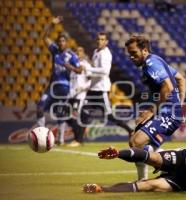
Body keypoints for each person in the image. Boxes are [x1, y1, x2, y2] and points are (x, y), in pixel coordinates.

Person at [83, 119, 186, 196]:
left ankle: (101, 189)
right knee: (152, 157)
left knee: (150, 185)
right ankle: (118, 153)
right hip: (184, 158)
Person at [124, 34, 186, 180]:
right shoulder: (156, 60)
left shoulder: (152, 63)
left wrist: (152, 110)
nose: (131, 57)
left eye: (134, 53)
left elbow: (168, 86)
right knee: (135, 140)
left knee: (136, 142)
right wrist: (180, 105)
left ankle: (173, 163)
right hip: (168, 111)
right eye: (129, 54)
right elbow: (181, 78)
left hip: (167, 113)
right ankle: (145, 178)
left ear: (144, 50)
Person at [36, 16, 82, 145]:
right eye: (59, 41)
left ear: (67, 42)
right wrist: (51, 23)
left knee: (61, 114)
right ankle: (42, 136)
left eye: (63, 41)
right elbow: (44, 37)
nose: (61, 43)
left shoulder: (72, 55)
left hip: (64, 87)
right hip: (51, 87)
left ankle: (60, 140)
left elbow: (80, 70)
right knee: (39, 109)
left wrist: (69, 66)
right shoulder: (55, 51)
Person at [78, 32, 133, 137]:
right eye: (98, 39)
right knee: (84, 111)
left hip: (101, 90)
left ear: (106, 42)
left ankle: (130, 130)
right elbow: (95, 69)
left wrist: (88, 68)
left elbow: (105, 71)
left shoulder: (106, 54)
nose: (100, 41)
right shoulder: (95, 51)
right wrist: (87, 72)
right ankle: (78, 139)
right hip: (93, 88)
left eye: (102, 39)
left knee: (109, 116)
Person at [67, 46, 92, 147]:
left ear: (83, 53)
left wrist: (82, 88)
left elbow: (90, 81)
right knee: (68, 116)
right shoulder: (73, 66)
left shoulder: (86, 65)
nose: (78, 53)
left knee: (74, 115)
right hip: (71, 95)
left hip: (80, 95)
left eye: (80, 51)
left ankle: (77, 140)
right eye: (76, 51)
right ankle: (80, 136)